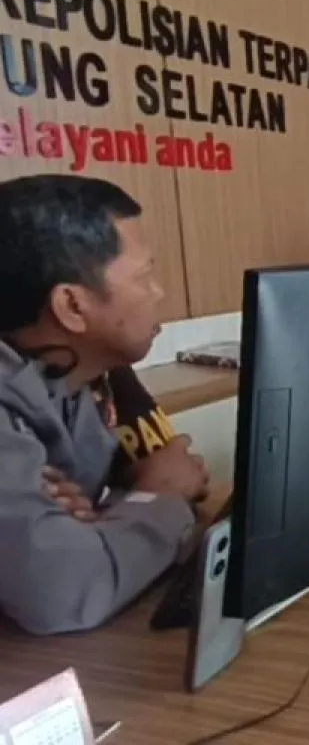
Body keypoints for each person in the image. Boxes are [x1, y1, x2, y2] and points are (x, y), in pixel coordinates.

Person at [0, 174, 209, 635]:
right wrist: (162, 495)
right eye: (144, 276)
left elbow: (80, 528)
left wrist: (89, 521)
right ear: (72, 306)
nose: (158, 293)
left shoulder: (73, 377)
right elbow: (62, 590)